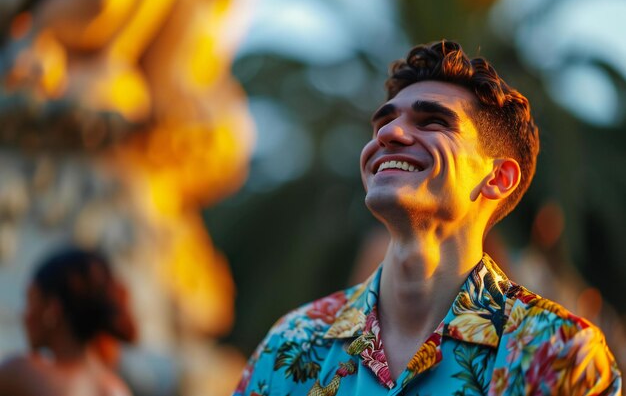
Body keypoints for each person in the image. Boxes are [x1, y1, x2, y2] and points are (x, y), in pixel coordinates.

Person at [232, 40, 622, 396]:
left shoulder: (556, 351)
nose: (390, 133)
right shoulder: (293, 344)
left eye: (433, 122)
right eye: (383, 122)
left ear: (498, 178)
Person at [0, 246, 137, 396]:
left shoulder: (20, 373)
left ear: (52, 309)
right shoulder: (117, 389)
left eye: (31, 302)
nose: (24, 316)